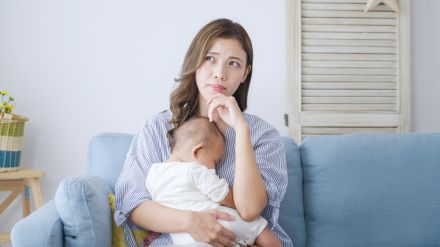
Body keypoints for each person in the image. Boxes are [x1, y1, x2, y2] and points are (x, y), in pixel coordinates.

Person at [115, 18, 292, 247]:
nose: (220, 73)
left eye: (234, 63)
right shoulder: (158, 127)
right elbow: (133, 204)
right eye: (210, 59)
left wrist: (241, 130)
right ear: (195, 62)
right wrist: (191, 222)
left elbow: (249, 210)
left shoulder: (263, 135)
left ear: (245, 73)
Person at [146, 117, 281, 247]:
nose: (215, 168)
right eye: (215, 161)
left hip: (183, 238)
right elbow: (224, 196)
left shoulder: (153, 174)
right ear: (197, 152)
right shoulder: (194, 170)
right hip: (218, 221)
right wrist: (241, 202)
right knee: (259, 227)